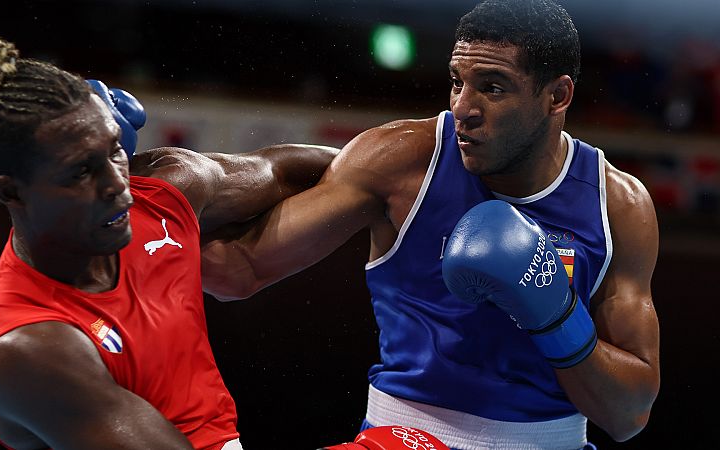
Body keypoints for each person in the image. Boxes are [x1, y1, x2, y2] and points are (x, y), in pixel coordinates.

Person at [200, 0, 660, 448]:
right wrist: (137, 228)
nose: (463, 107)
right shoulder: (403, 161)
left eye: (493, 88)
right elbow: (239, 270)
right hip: (402, 438)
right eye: (458, 83)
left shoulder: (616, 205)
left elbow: (629, 417)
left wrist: (556, 315)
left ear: (556, 96)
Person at [0, 38, 339, 450]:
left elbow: (287, 172)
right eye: (80, 172)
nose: (117, 186)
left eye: (114, 153)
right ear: (12, 192)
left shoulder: (160, 195)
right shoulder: (31, 346)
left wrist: (415, 185)